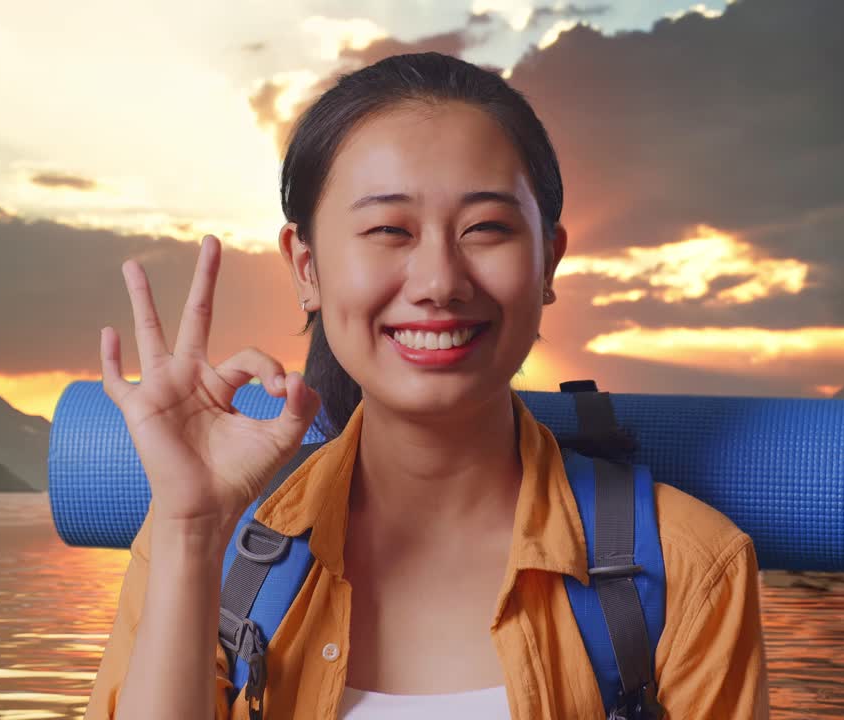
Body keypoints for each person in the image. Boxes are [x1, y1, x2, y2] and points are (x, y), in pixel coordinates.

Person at [84, 51, 770, 720]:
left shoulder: (692, 570)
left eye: (487, 228)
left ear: (548, 262)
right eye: (388, 229)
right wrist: (189, 530)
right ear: (307, 268)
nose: (440, 281)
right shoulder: (199, 545)